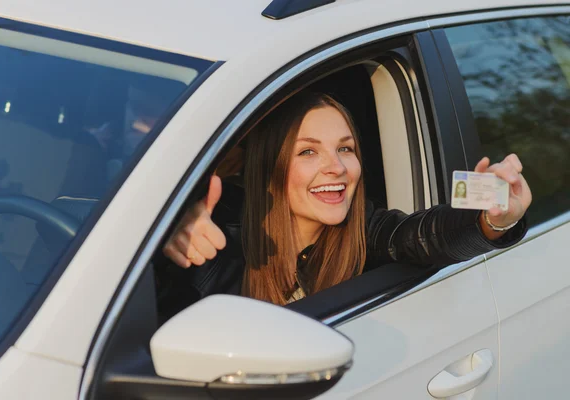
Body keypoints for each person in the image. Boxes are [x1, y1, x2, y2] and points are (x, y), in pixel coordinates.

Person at [161, 91, 531, 306]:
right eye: (308, 152)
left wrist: (495, 220)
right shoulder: (211, 232)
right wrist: (162, 235)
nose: (335, 167)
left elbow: (423, 236)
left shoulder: (364, 230)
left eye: (345, 148)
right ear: (266, 166)